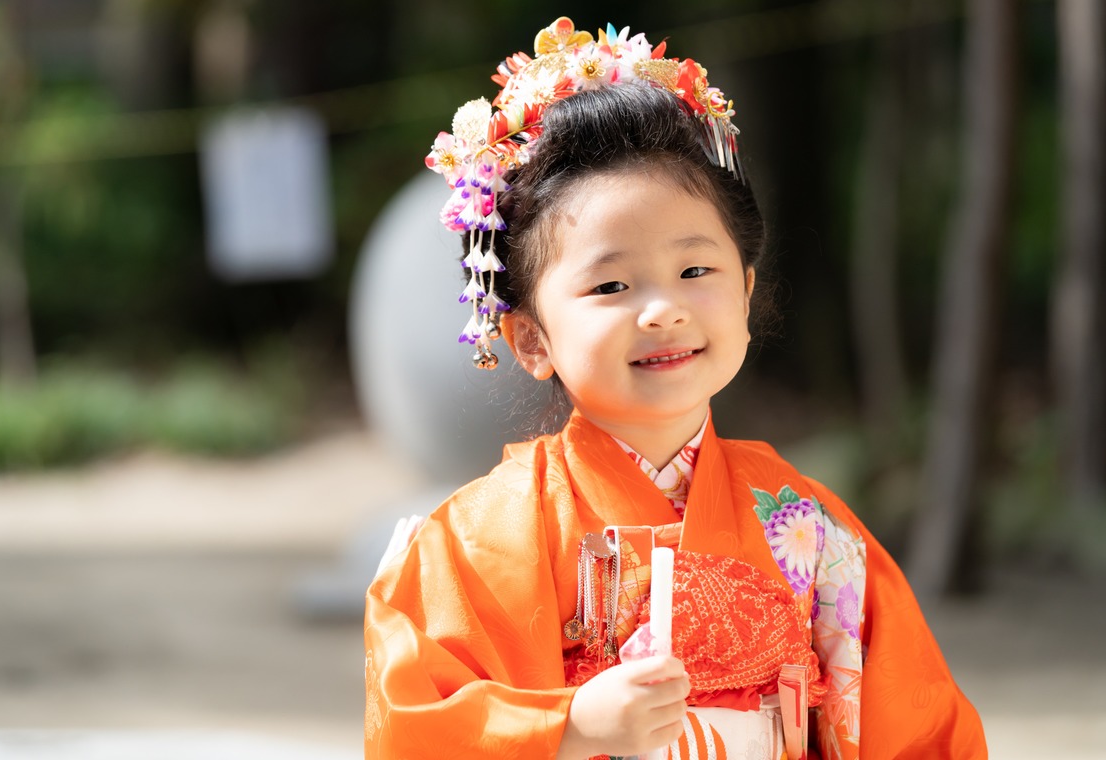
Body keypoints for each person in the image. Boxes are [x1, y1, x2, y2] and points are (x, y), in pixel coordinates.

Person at [364, 17, 986, 760]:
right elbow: (417, 729)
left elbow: (918, 732)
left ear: (747, 293)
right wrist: (567, 728)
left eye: (696, 271)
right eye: (612, 283)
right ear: (531, 337)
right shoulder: (479, 541)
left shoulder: (813, 532)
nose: (663, 309)